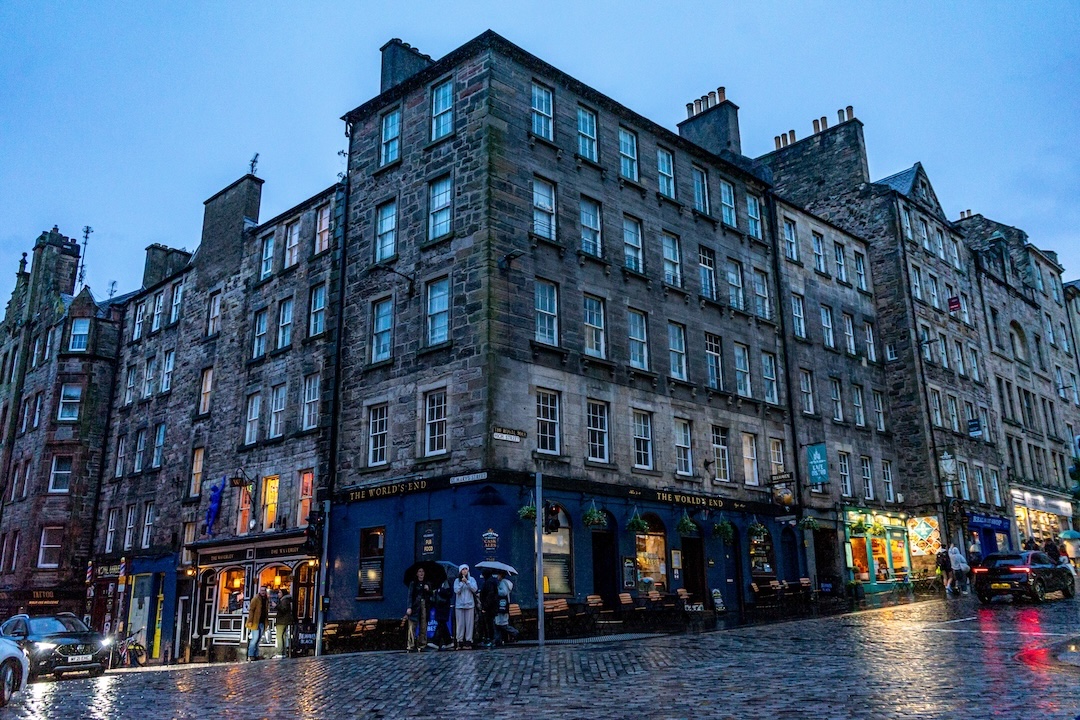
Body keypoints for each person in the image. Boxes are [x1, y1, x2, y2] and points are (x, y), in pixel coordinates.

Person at [405, 567, 431, 653]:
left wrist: (428, 589)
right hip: (415, 606)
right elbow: (410, 596)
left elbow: (430, 596)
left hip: (424, 606)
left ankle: (422, 644)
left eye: (423, 571)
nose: (421, 573)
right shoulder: (413, 583)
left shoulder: (427, 583)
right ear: (417, 573)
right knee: (412, 626)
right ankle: (411, 646)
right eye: (419, 571)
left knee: (423, 626)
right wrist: (409, 607)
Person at [453, 564, 478, 649]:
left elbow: (475, 589)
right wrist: (461, 583)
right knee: (460, 624)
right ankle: (459, 641)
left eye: (466, 569)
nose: (464, 571)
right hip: (459, 605)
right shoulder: (457, 581)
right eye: (463, 569)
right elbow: (456, 590)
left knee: (469, 624)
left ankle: (468, 641)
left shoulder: (472, 580)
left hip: (469, 604)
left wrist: (467, 582)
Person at [493, 571, 519, 646]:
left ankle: (514, 633)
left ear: (501, 575)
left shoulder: (503, 583)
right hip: (504, 605)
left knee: (501, 624)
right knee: (499, 624)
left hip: (502, 605)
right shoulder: (506, 583)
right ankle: (498, 640)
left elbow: (503, 592)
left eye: (498, 574)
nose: (497, 576)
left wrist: (496, 590)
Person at [246, 587, 269, 661]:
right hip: (255, 622)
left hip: (262, 622)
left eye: (264, 590)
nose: (263, 592)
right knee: (255, 639)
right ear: (259, 591)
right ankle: (250, 655)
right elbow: (251, 610)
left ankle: (256, 654)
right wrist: (250, 620)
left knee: (258, 639)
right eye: (262, 590)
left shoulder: (266, 599)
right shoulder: (255, 599)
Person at [478, 569, 500, 648]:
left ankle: (492, 639)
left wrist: (485, 606)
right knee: (490, 623)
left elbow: (490, 595)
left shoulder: (489, 582)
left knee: (489, 624)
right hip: (491, 606)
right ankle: (492, 639)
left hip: (489, 607)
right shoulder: (491, 581)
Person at [431, 581, 454, 650]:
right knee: (442, 624)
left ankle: (436, 642)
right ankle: (448, 642)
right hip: (438, 606)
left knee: (441, 623)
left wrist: (440, 590)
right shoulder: (438, 584)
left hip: (443, 606)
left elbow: (449, 594)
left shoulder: (446, 583)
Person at [274, 588, 295, 659]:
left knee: (279, 637)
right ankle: (284, 653)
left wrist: (276, 606)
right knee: (283, 637)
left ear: (283, 593)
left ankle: (280, 652)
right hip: (285, 621)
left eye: (279, 593)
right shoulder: (286, 600)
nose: (278, 594)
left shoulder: (284, 600)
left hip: (282, 621)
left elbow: (283, 609)